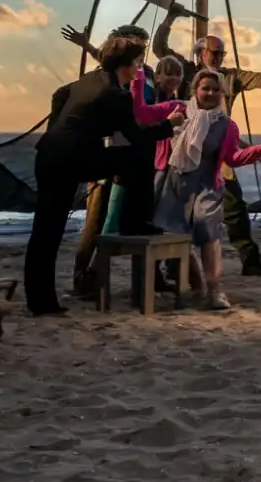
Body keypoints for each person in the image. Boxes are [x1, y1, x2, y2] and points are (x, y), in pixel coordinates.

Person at [155, 8, 261, 278]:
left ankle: (250, 260)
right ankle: (174, 266)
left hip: (217, 156)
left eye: (221, 53)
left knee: (234, 208)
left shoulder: (229, 77)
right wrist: (171, 18)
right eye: (213, 53)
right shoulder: (186, 72)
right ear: (201, 54)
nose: (218, 58)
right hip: (187, 155)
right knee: (179, 211)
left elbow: (257, 77)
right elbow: (161, 47)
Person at [26, 36, 181, 316]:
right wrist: (169, 126)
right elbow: (137, 137)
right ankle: (135, 221)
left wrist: (57, 129)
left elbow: (59, 94)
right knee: (136, 157)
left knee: (44, 230)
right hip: (69, 162)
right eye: (137, 61)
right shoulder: (116, 95)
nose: (140, 67)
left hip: (49, 154)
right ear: (127, 64)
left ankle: (39, 299)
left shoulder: (90, 79)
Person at [155, 69, 261, 309]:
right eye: (206, 88)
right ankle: (196, 284)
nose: (211, 93)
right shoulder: (179, 111)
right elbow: (145, 116)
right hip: (177, 183)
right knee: (177, 238)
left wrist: (254, 151)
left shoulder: (226, 125)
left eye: (216, 89)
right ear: (195, 90)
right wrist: (138, 82)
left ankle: (214, 290)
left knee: (209, 237)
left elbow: (232, 158)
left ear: (222, 94)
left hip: (207, 185)